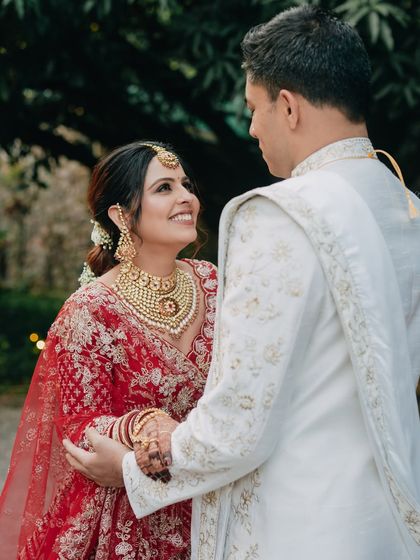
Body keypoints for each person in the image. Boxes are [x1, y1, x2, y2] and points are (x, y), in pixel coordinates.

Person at [63, 6, 420, 560]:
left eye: (254, 108)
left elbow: (240, 417)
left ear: (288, 106)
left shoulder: (279, 214)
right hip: (389, 520)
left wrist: (134, 469)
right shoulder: (408, 210)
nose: (251, 127)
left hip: (297, 525)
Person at [0, 141, 217, 559]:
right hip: (128, 518)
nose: (186, 197)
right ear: (121, 215)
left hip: (216, 499)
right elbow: (81, 426)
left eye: (186, 185)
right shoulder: (89, 311)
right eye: (164, 188)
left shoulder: (213, 283)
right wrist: (144, 424)